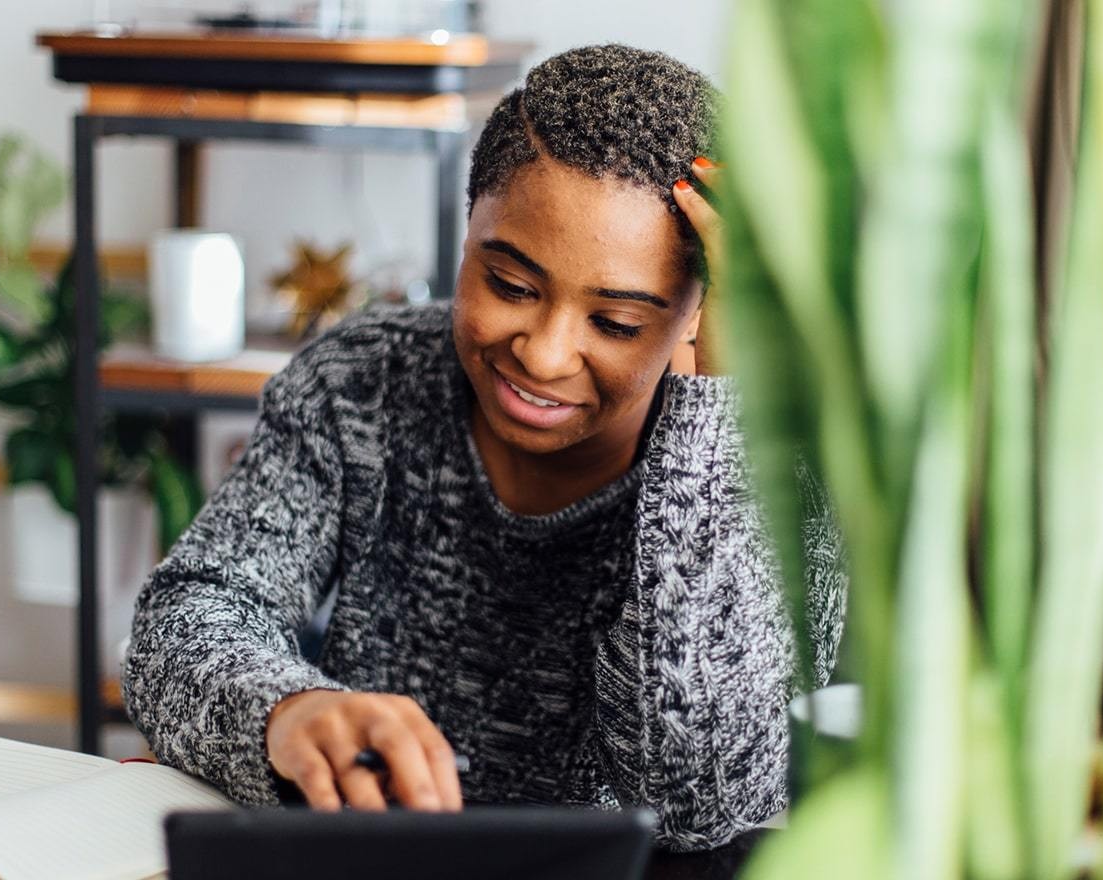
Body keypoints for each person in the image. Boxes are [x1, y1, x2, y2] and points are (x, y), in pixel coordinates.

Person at [123, 43, 847, 852]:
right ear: (468, 227)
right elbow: (183, 621)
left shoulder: (776, 464)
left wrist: (716, 425)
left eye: (617, 324)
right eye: (509, 284)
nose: (542, 353)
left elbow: (702, 800)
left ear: (698, 314)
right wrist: (288, 710)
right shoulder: (366, 379)